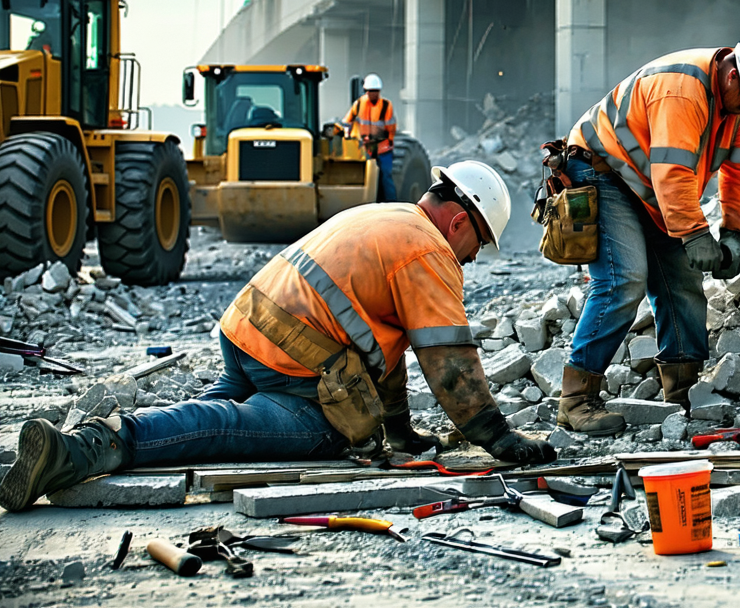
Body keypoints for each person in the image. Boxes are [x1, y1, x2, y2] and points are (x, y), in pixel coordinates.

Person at [0, 161, 556, 513]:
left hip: (248, 329)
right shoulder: (430, 251)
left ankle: (99, 439)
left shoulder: (391, 218)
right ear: (461, 223)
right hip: (291, 361)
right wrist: (502, 442)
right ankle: (80, 450)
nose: (472, 258)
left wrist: (401, 434)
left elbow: (384, 355)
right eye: (478, 244)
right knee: (266, 430)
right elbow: (450, 365)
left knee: (212, 413)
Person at [556, 34, 740, 435]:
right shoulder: (683, 91)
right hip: (601, 170)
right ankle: (576, 399)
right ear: (733, 75)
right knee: (625, 279)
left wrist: (734, 233)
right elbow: (672, 172)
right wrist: (696, 236)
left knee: (683, 279)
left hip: (648, 183)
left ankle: (683, 392)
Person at [340, 73, 398, 202]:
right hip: (367, 148)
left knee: (386, 176)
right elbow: (347, 121)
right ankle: (368, 203)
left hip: (383, 148)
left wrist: (389, 141)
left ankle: (391, 204)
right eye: (371, 91)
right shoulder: (359, 104)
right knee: (367, 177)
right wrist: (347, 133)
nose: (374, 94)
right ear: (366, 91)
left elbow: (391, 127)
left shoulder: (386, 106)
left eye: (376, 91)